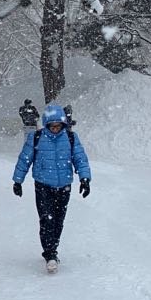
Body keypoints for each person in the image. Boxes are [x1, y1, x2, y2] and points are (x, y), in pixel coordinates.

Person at [12, 103, 91, 273]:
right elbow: (25, 159)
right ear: (47, 124)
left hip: (64, 187)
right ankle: (50, 253)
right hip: (43, 186)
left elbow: (80, 158)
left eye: (58, 126)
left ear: (63, 124)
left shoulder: (70, 138)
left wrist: (85, 179)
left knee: (58, 221)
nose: (55, 129)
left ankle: (53, 247)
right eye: (52, 126)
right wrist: (18, 181)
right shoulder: (36, 138)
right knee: (46, 219)